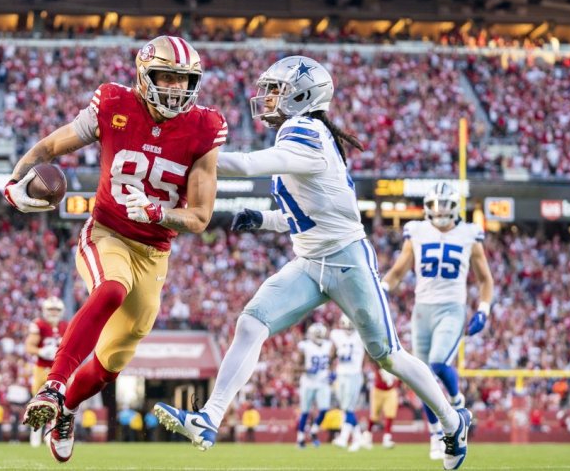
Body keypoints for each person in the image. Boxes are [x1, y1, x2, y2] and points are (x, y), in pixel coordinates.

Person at [153, 55, 472, 470]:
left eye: (275, 89)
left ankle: (451, 421)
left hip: (346, 261)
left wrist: (188, 150)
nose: (266, 97)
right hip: (308, 261)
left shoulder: (305, 129)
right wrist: (263, 219)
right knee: (251, 322)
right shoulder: (300, 132)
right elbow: (306, 214)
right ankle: (209, 418)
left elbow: (248, 165)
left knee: (388, 356)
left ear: (303, 95)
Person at [10, 35, 225, 463]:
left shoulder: (205, 126)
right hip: (107, 231)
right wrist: (14, 181)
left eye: (184, 81)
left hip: (155, 250)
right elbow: (49, 148)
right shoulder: (113, 103)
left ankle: (68, 407)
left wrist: (157, 213)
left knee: (112, 360)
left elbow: (199, 218)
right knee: (111, 287)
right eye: (166, 77)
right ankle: (53, 387)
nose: (175, 89)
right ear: (145, 75)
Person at [381, 181, 494, 460]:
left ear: (455, 207)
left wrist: (484, 308)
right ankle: (436, 434)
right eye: (435, 205)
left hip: (452, 307)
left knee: (438, 363)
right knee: (422, 378)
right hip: (422, 309)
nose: (440, 211)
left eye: (445, 205)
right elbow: (397, 271)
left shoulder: (469, 233)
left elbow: (485, 279)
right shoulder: (417, 231)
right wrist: (381, 289)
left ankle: (457, 403)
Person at [23, 296, 68, 447]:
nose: (54, 312)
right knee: (38, 401)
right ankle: (35, 432)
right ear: (45, 310)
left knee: (60, 402)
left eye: (57, 309)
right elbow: (29, 347)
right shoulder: (39, 325)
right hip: (42, 368)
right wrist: (42, 351)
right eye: (51, 309)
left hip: (59, 369)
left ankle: (51, 433)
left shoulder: (66, 325)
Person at [329, 316, 366, 452]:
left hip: (354, 374)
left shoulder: (360, 336)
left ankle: (344, 438)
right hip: (341, 374)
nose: (349, 329)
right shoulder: (337, 335)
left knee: (348, 407)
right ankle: (358, 437)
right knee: (345, 408)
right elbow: (332, 353)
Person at [294, 322, 331, 448]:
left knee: (324, 409)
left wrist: (332, 372)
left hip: (322, 381)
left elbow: (332, 360)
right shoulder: (305, 346)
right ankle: (300, 438)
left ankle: (314, 431)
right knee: (305, 411)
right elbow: (295, 367)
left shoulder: (328, 345)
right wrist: (306, 369)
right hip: (308, 382)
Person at [362, 364, 401, 449]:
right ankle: (367, 435)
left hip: (391, 390)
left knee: (390, 414)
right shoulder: (380, 358)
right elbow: (376, 363)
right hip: (378, 390)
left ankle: (387, 438)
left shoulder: (398, 358)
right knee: (374, 416)